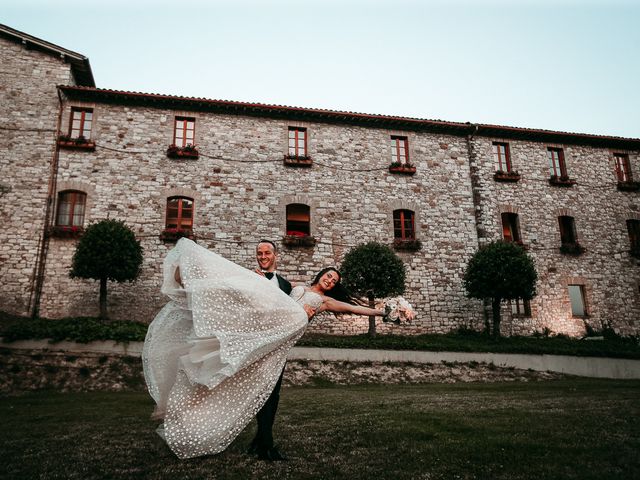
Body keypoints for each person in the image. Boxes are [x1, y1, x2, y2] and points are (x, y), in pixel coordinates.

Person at [142, 238, 406, 460]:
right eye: (328, 275)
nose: (329, 280)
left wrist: (384, 312)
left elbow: (353, 308)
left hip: (277, 350)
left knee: (270, 397)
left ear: (335, 286)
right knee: (237, 386)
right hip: (259, 340)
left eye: (334, 279)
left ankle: (263, 443)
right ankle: (255, 441)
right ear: (320, 275)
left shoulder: (323, 301)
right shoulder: (294, 288)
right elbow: (261, 305)